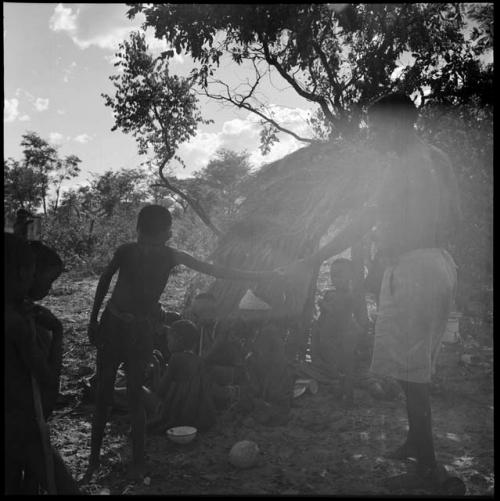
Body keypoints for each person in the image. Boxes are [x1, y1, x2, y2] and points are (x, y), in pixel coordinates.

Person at [278, 93, 462, 492]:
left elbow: (364, 220)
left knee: (412, 374)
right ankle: (417, 441)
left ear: (395, 124)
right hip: (439, 264)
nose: (372, 134)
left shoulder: (400, 166)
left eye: (376, 127)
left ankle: (427, 469)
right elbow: (455, 217)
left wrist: (316, 257)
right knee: (414, 368)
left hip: (413, 270)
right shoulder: (438, 158)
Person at [84, 204, 277, 480]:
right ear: (168, 233)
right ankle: (135, 464)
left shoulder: (129, 250)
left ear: (138, 228)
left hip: (118, 324)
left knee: (106, 392)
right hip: (132, 328)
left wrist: (93, 320)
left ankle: (96, 460)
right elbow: (218, 271)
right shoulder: (170, 255)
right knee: (135, 395)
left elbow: (104, 280)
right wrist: (263, 275)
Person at [4, 233, 79, 494]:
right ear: (25, 272)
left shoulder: (20, 313)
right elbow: (47, 379)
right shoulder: (18, 323)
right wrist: (57, 333)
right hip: (24, 426)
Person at [147, 319, 217, 432]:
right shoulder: (199, 360)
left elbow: (160, 391)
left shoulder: (176, 358)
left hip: (174, 411)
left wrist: (156, 367)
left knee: (139, 391)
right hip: (193, 414)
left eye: (169, 340)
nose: (167, 344)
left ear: (178, 340)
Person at [311, 258, 361, 405]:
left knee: (347, 367)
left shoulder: (348, 295)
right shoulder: (331, 294)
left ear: (350, 276)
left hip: (344, 336)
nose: (335, 278)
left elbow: (337, 313)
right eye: (333, 275)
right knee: (335, 366)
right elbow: (324, 317)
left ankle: (349, 396)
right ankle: (340, 391)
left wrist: (324, 305)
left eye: (339, 274)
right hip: (330, 337)